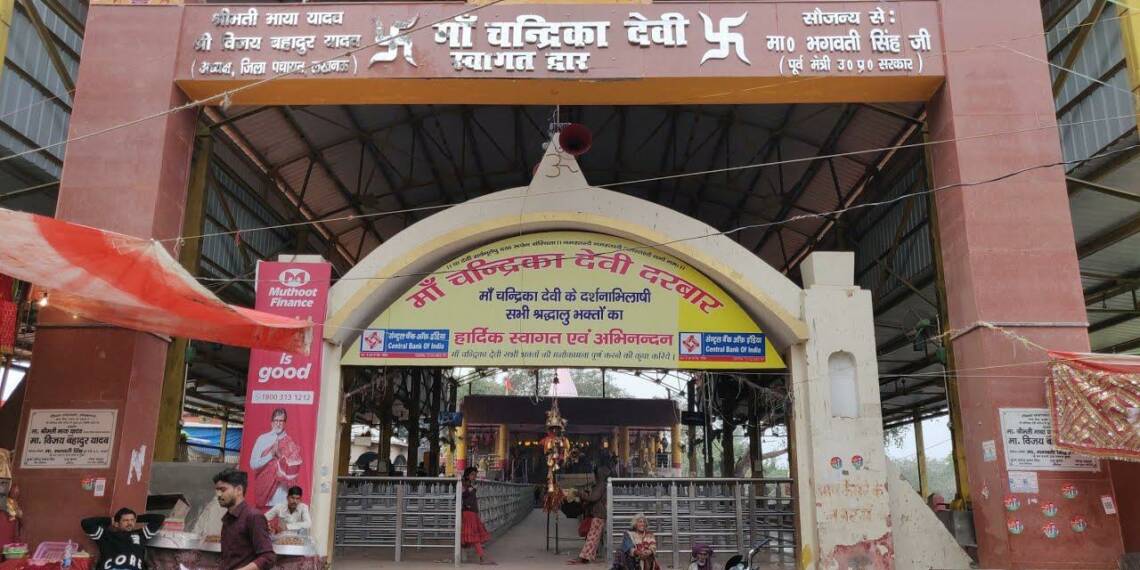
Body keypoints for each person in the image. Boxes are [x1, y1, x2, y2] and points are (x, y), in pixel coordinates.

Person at [214, 467, 276, 570]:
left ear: (239, 490)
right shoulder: (227, 519)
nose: (218, 495)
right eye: (217, 490)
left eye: (223, 490)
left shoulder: (254, 516)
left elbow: (268, 557)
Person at [249, 408, 302, 510]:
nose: (278, 424)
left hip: (281, 495)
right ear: (271, 422)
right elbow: (253, 464)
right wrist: (270, 455)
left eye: (281, 421)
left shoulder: (290, 443)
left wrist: (280, 457)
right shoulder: (262, 439)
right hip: (263, 491)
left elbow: (293, 473)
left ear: (285, 422)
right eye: (276, 420)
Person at [80, 507, 165, 570]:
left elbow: (159, 518)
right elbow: (86, 523)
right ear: (117, 524)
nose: (129, 523)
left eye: (132, 520)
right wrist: (111, 520)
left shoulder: (141, 534)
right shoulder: (105, 535)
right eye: (125, 520)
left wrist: (136, 518)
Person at [569, 465, 610, 565]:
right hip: (599, 513)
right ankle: (588, 556)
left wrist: (580, 494)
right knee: (594, 537)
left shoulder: (600, 485)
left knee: (592, 536)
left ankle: (585, 556)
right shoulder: (602, 485)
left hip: (598, 513)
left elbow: (593, 498)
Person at [461, 466, 495, 565]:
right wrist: (469, 491)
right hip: (469, 512)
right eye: (472, 474)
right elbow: (459, 496)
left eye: (475, 475)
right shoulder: (464, 484)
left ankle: (464, 556)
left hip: (471, 512)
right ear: (467, 475)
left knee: (468, 535)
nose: (474, 476)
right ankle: (481, 558)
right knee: (474, 536)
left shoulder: (469, 484)